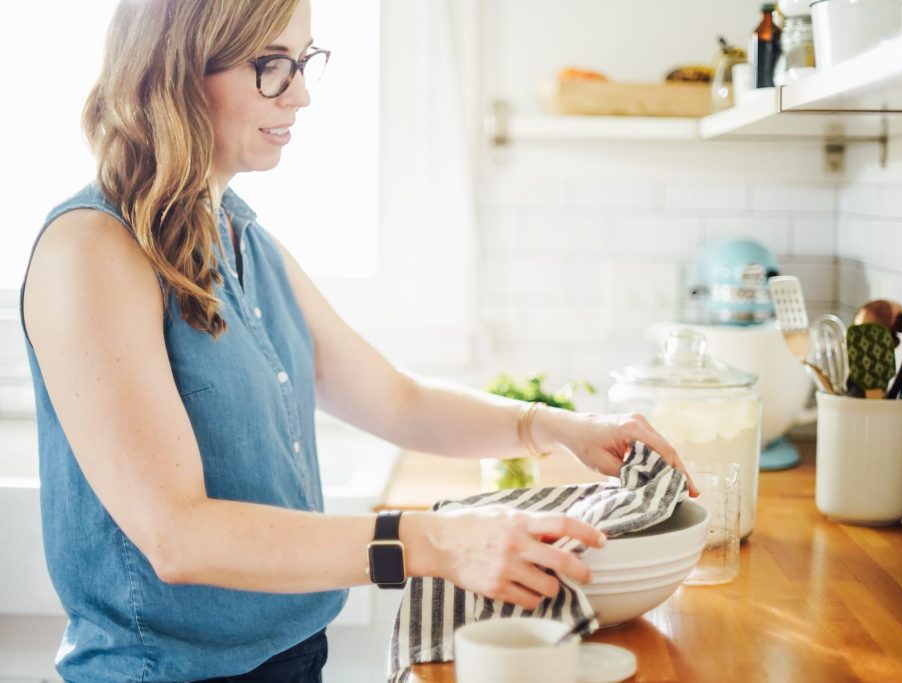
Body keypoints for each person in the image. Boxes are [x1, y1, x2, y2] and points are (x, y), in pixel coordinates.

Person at [19, 1, 696, 680]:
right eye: (272, 66)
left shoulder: (242, 240)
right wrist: (429, 542)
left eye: (304, 61)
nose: (303, 94)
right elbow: (176, 535)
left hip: (292, 653)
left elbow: (398, 401)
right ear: (177, 69)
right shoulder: (92, 250)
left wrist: (562, 427)